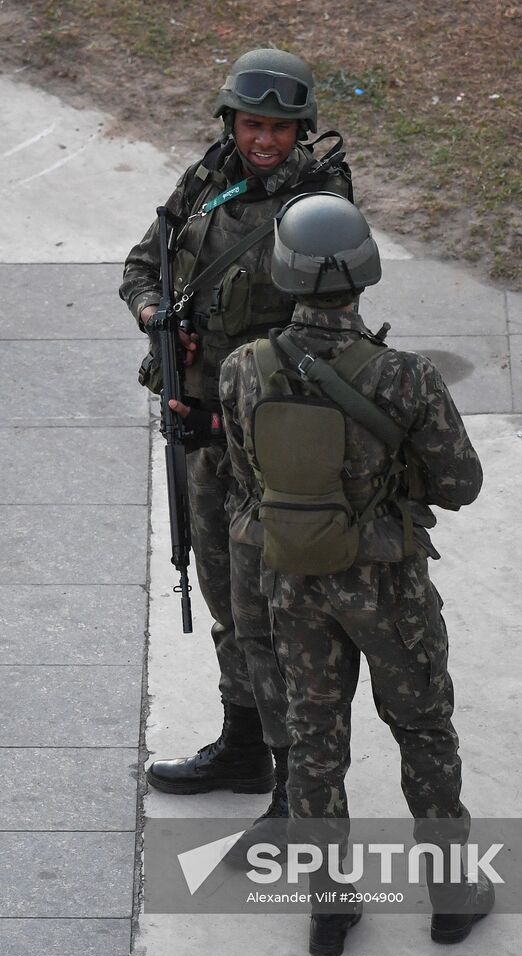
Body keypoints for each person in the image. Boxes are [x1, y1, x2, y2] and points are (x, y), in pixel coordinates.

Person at [218, 192, 494, 956]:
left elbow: (246, 482)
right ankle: (450, 896)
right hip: (387, 587)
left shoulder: (245, 368)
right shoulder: (404, 378)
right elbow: (460, 485)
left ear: (284, 270)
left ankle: (329, 909)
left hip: (295, 587)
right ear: (364, 272)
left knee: (313, 744)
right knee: (422, 731)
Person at [119, 48, 353, 820]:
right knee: (224, 595)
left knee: (274, 611)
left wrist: (234, 407)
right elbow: (141, 265)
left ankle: (296, 784)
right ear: (230, 122)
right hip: (198, 429)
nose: (264, 141)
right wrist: (161, 321)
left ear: (301, 130)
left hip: (271, 441)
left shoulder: (320, 206)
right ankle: (245, 745)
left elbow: (324, 336)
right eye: (253, 124)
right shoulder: (208, 177)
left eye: (281, 129)